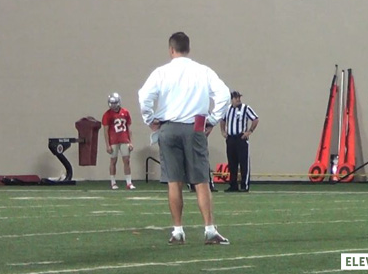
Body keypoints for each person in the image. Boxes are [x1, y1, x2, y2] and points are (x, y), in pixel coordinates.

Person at [138, 31, 231, 245]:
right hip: (195, 126)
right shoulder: (202, 71)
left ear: (171, 50)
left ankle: (178, 231)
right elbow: (224, 95)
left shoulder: (161, 72)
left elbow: (144, 96)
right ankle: (209, 230)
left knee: (174, 181)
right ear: (188, 49)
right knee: (201, 180)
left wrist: (150, 119)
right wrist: (212, 120)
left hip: (168, 128)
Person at [220, 91, 259, 192]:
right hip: (231, 138)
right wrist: (223, 131)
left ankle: (244, 185)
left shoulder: (245, 108)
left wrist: (249, 131)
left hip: (241, 138)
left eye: (239, 97)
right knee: (232, 163)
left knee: (243, 162)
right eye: (236, 98)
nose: (238, 99)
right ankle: (233, 185)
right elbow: (222, 120)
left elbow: (255, 119)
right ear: (231, 99)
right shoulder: (227, 109)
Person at [102, 93, 135, 190]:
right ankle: (113, 182)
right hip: (114, 140)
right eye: (111, 103)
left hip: (124, 139)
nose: (113, 105)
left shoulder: (125, 112)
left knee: (126, 161)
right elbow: (105, 131)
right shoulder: (107, 114)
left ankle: (129, 182)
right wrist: (107, 145)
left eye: (114, 103)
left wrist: (131, 142)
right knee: (113, 161)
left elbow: (129, 128)